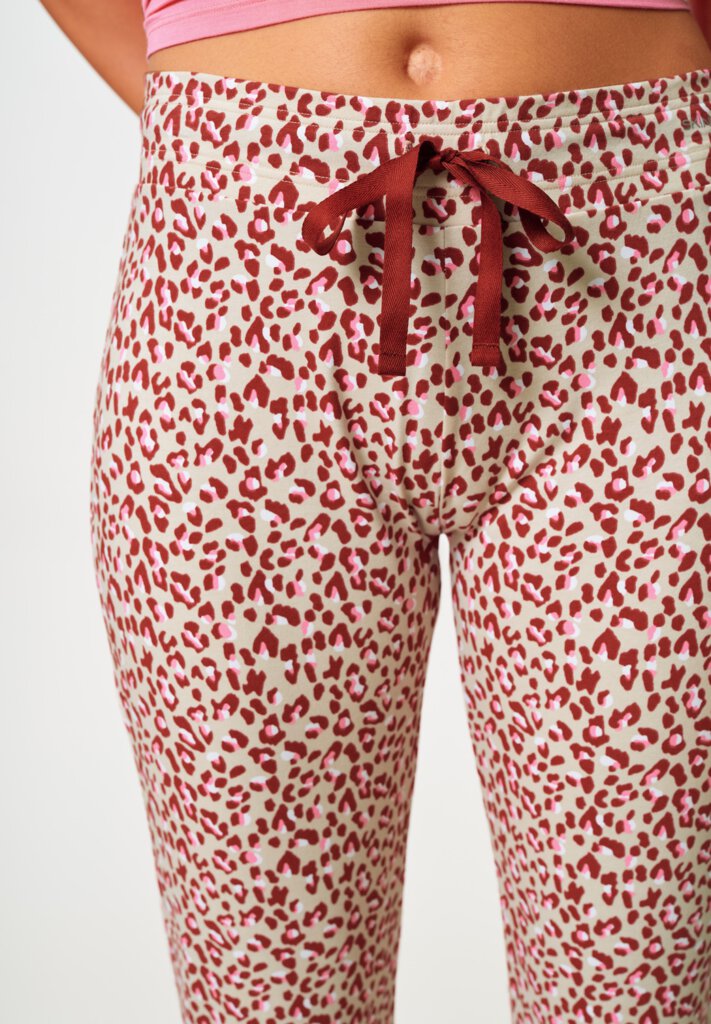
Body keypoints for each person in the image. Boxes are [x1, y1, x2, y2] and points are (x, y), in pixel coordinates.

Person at [40, 0, 711, 1021]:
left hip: (631, 266)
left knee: (637, 981)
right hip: (244, 287)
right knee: (265, 987)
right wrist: (227, 116)